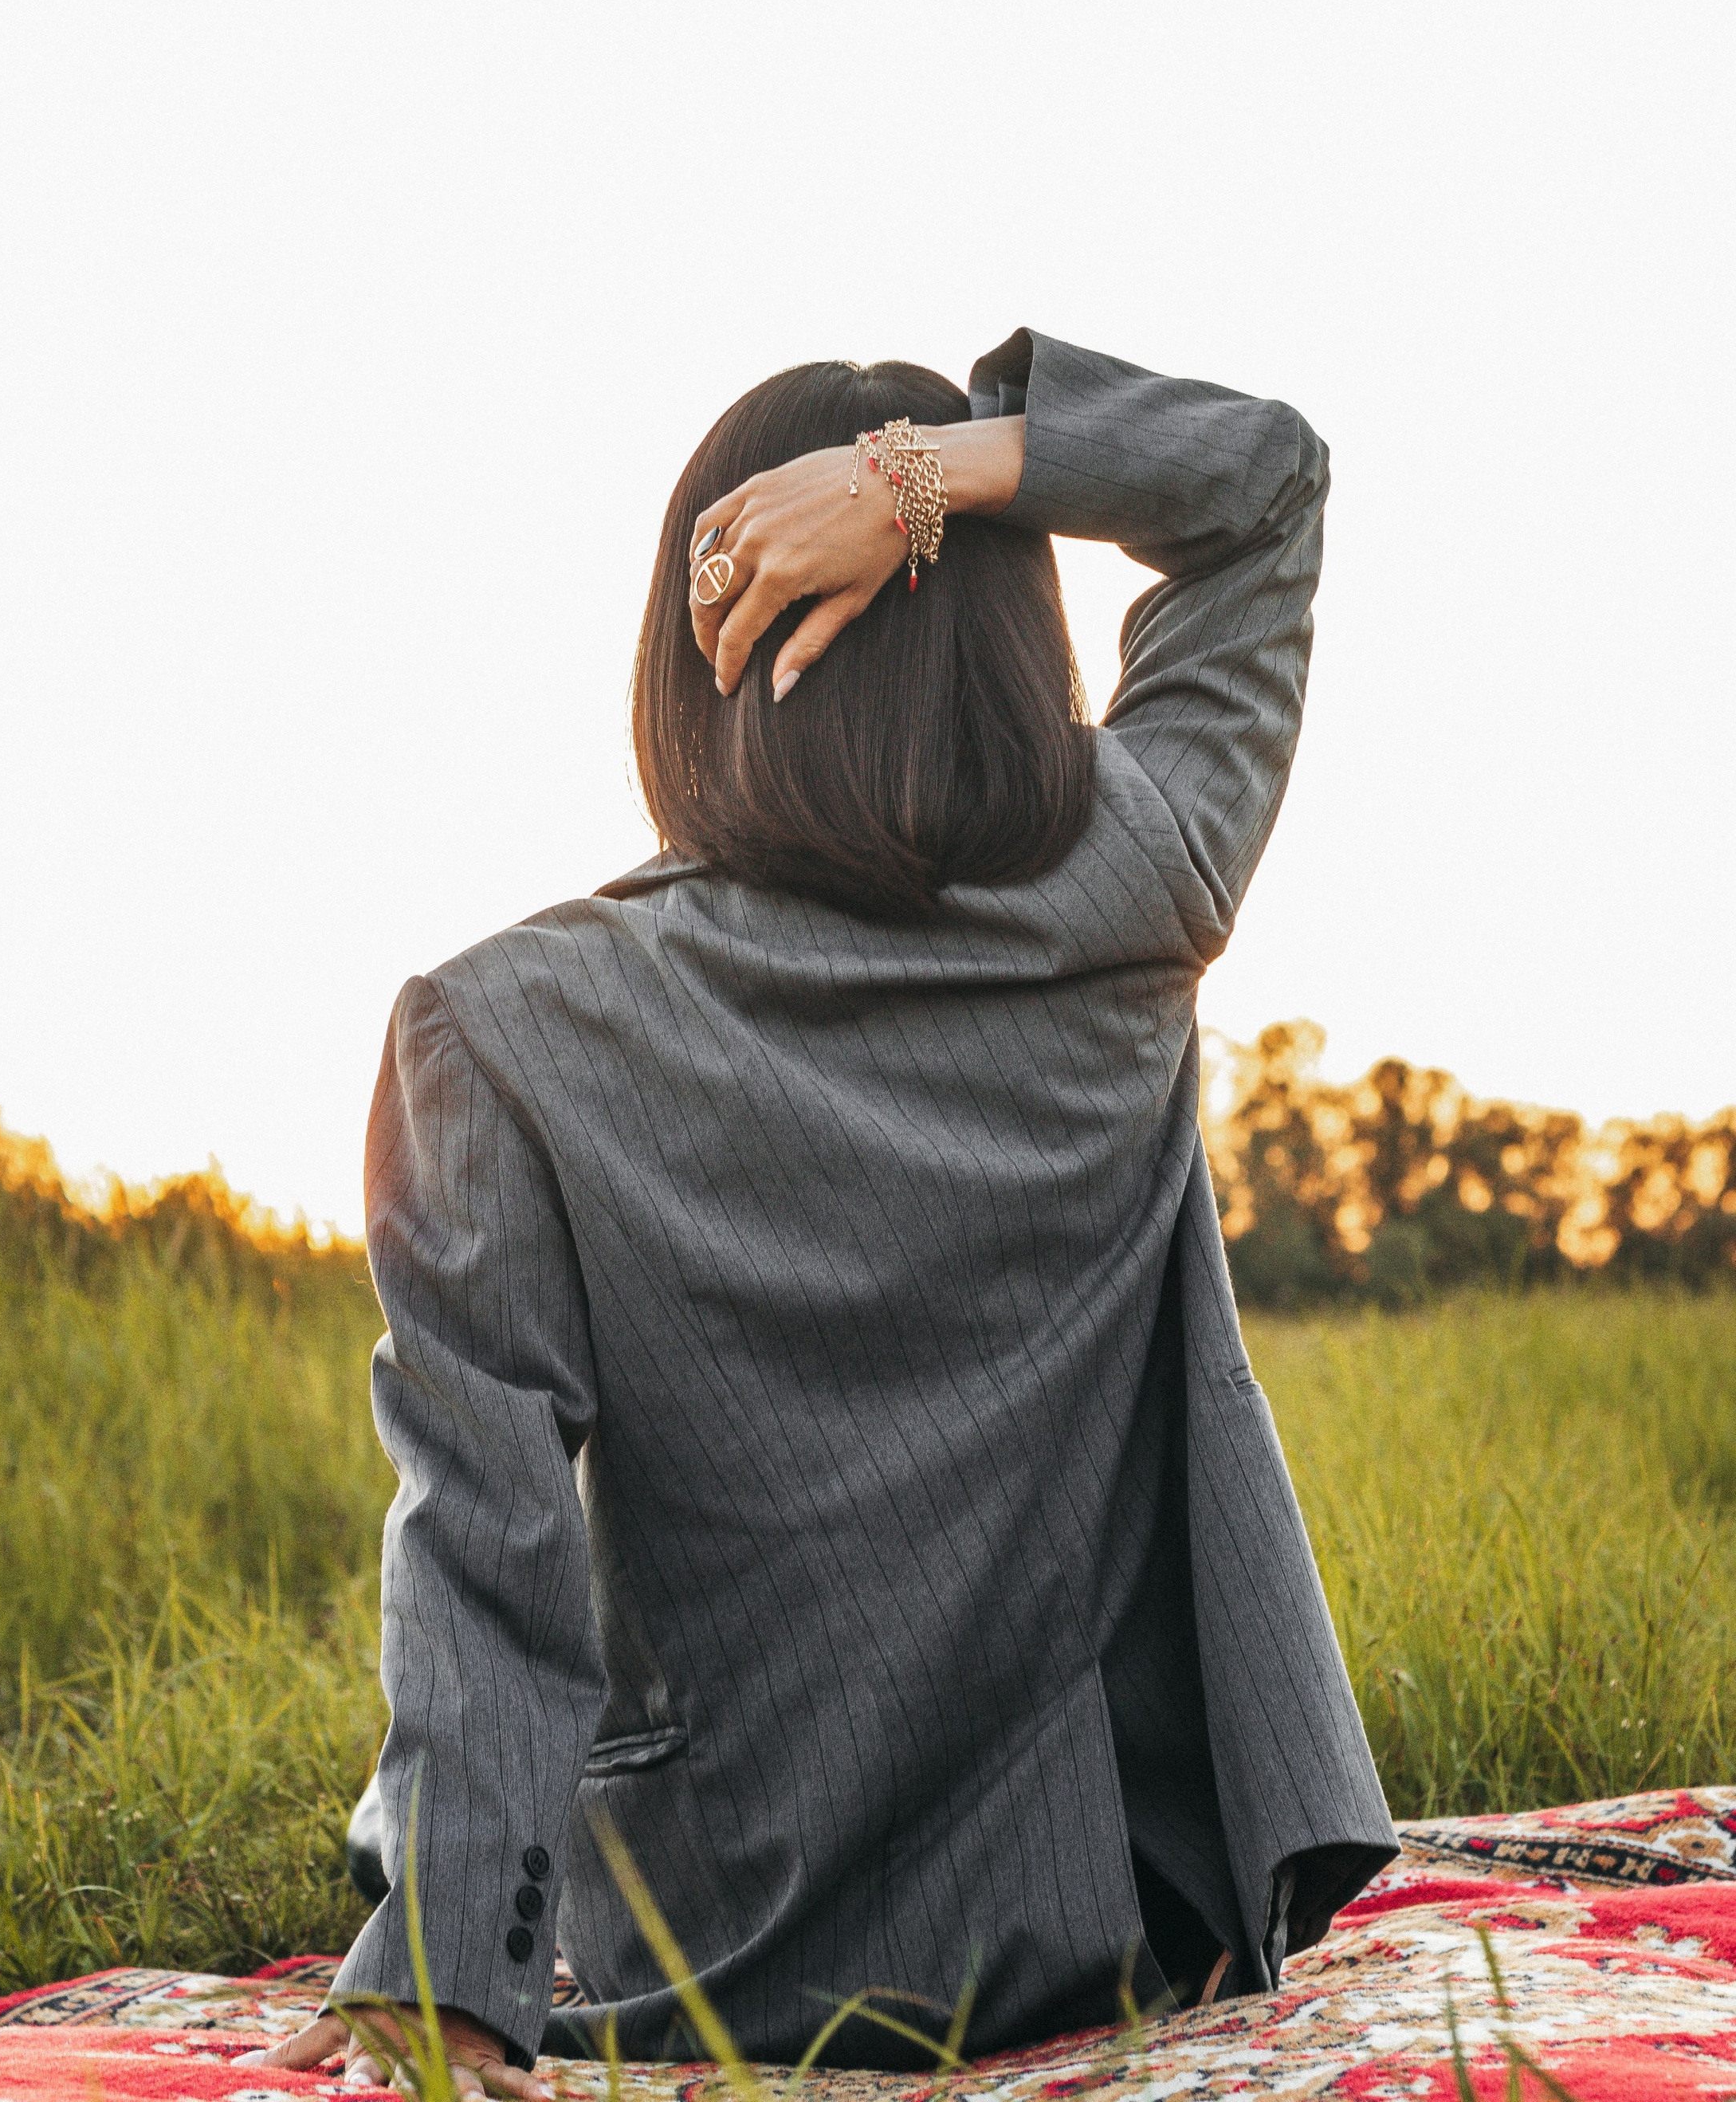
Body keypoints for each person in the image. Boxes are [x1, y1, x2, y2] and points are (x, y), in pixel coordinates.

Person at [265, 327, 1395, 2099]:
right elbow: (1265, 485)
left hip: (724, 1957)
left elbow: (487, 1543)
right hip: (1123, 1925)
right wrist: (936, 481)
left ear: (690, 654)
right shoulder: (1138, 880)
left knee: (415, 1789)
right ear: (1015, 647)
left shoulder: (502, 1032)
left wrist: (443, 1979)